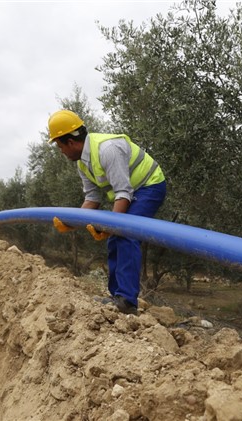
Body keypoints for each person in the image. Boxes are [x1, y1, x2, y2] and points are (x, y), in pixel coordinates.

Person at [48, 109, 166, 315]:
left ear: (70, 142)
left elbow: (123, 192)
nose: (61, 152)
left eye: (60, 146)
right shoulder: (82, 164)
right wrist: (71, 222)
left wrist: (112, 226)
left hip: (150, 185)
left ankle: (127, 302)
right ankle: (116, 297)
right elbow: (92, 199)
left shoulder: (107, 150)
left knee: (126, 234)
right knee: (114, 240)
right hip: (130, 192)